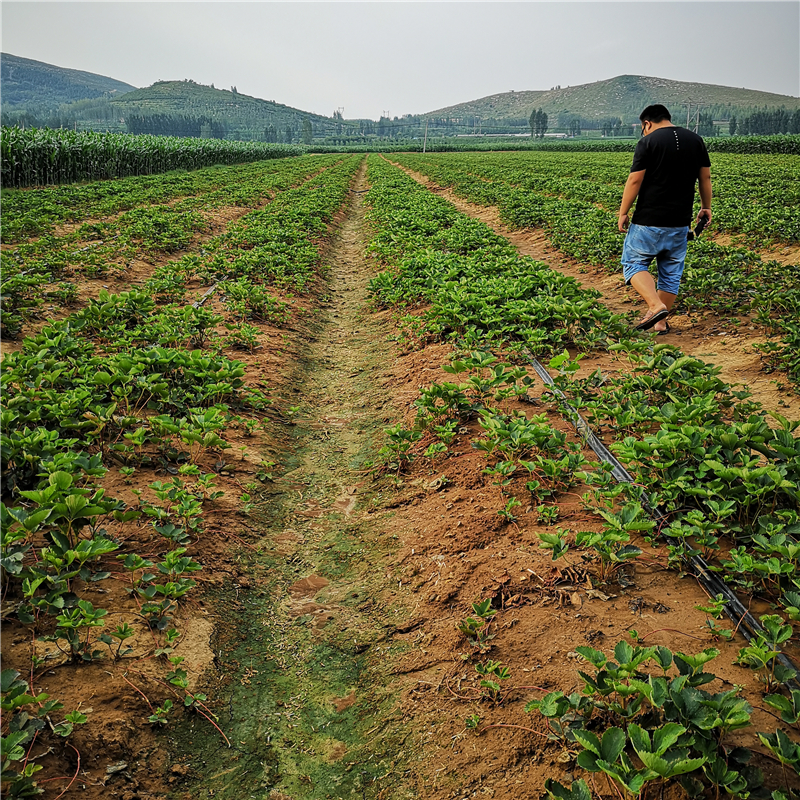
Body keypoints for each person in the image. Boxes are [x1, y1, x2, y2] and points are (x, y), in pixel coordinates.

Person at [617, 104, 712, 333]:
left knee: (633, 263)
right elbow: (705, 177)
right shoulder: (696, 140)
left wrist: (623, 212)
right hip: (680, 222)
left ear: (647, 123)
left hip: (648, 220)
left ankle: (655, 305)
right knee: (670, 273)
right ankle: (660, 323)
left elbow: (634, 181)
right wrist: (706, 207)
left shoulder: (648, 142)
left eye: (643, 128)